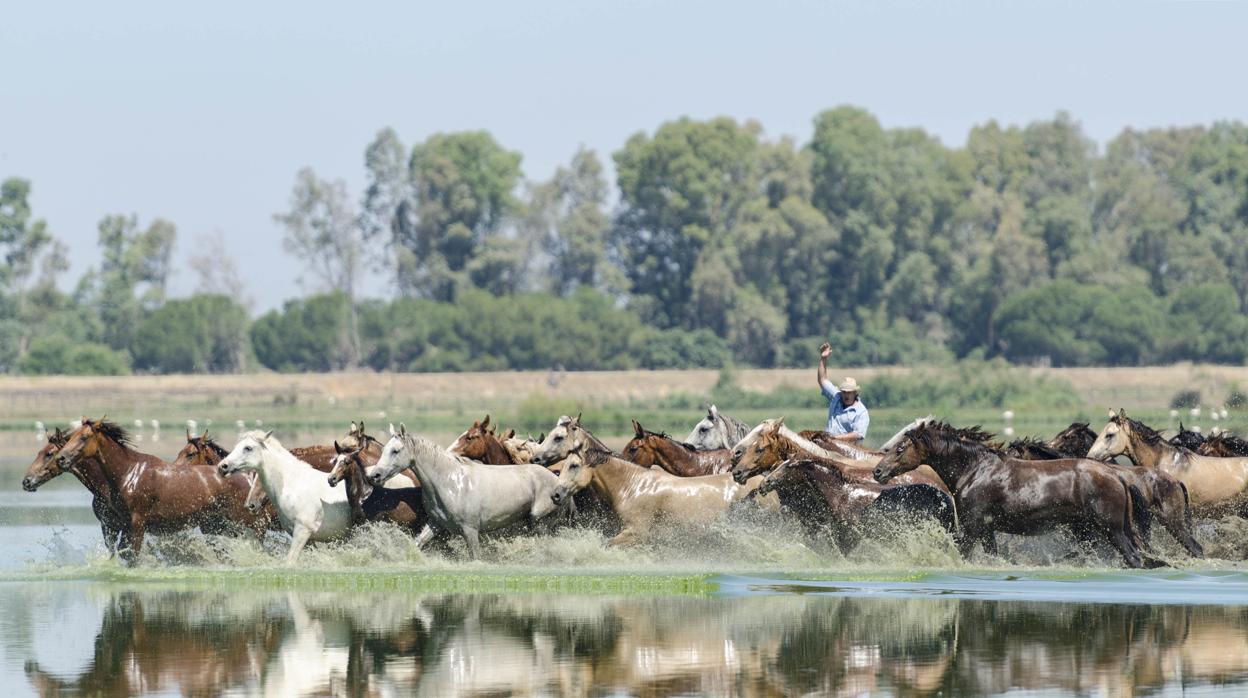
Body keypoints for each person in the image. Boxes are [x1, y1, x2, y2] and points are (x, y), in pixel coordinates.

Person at [816, 342, 869, 442]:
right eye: (844, 392)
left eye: (849, 392)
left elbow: (858, 434)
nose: (846, 395)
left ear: (855, 393)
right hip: (828, 444)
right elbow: (822, 380)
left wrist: (835, 438)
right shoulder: (836, 396)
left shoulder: (861, 412)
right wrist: (823, 358)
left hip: (847, 451)